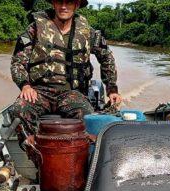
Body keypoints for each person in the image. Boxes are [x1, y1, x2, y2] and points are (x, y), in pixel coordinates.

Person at [9, 0, 122, 152]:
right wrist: (25, 85)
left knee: (88, 118)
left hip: (73, 93)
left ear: (76, 5)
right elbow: (18, 61)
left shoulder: (88, 32)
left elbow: (106, 57)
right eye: (59, 2)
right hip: (40, 92)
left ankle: (77, 158)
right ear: (53, 4)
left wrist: (112, 89)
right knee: (18, 110)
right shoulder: (35, 28)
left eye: (68, 2)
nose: (63, 7)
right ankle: (36, 154)